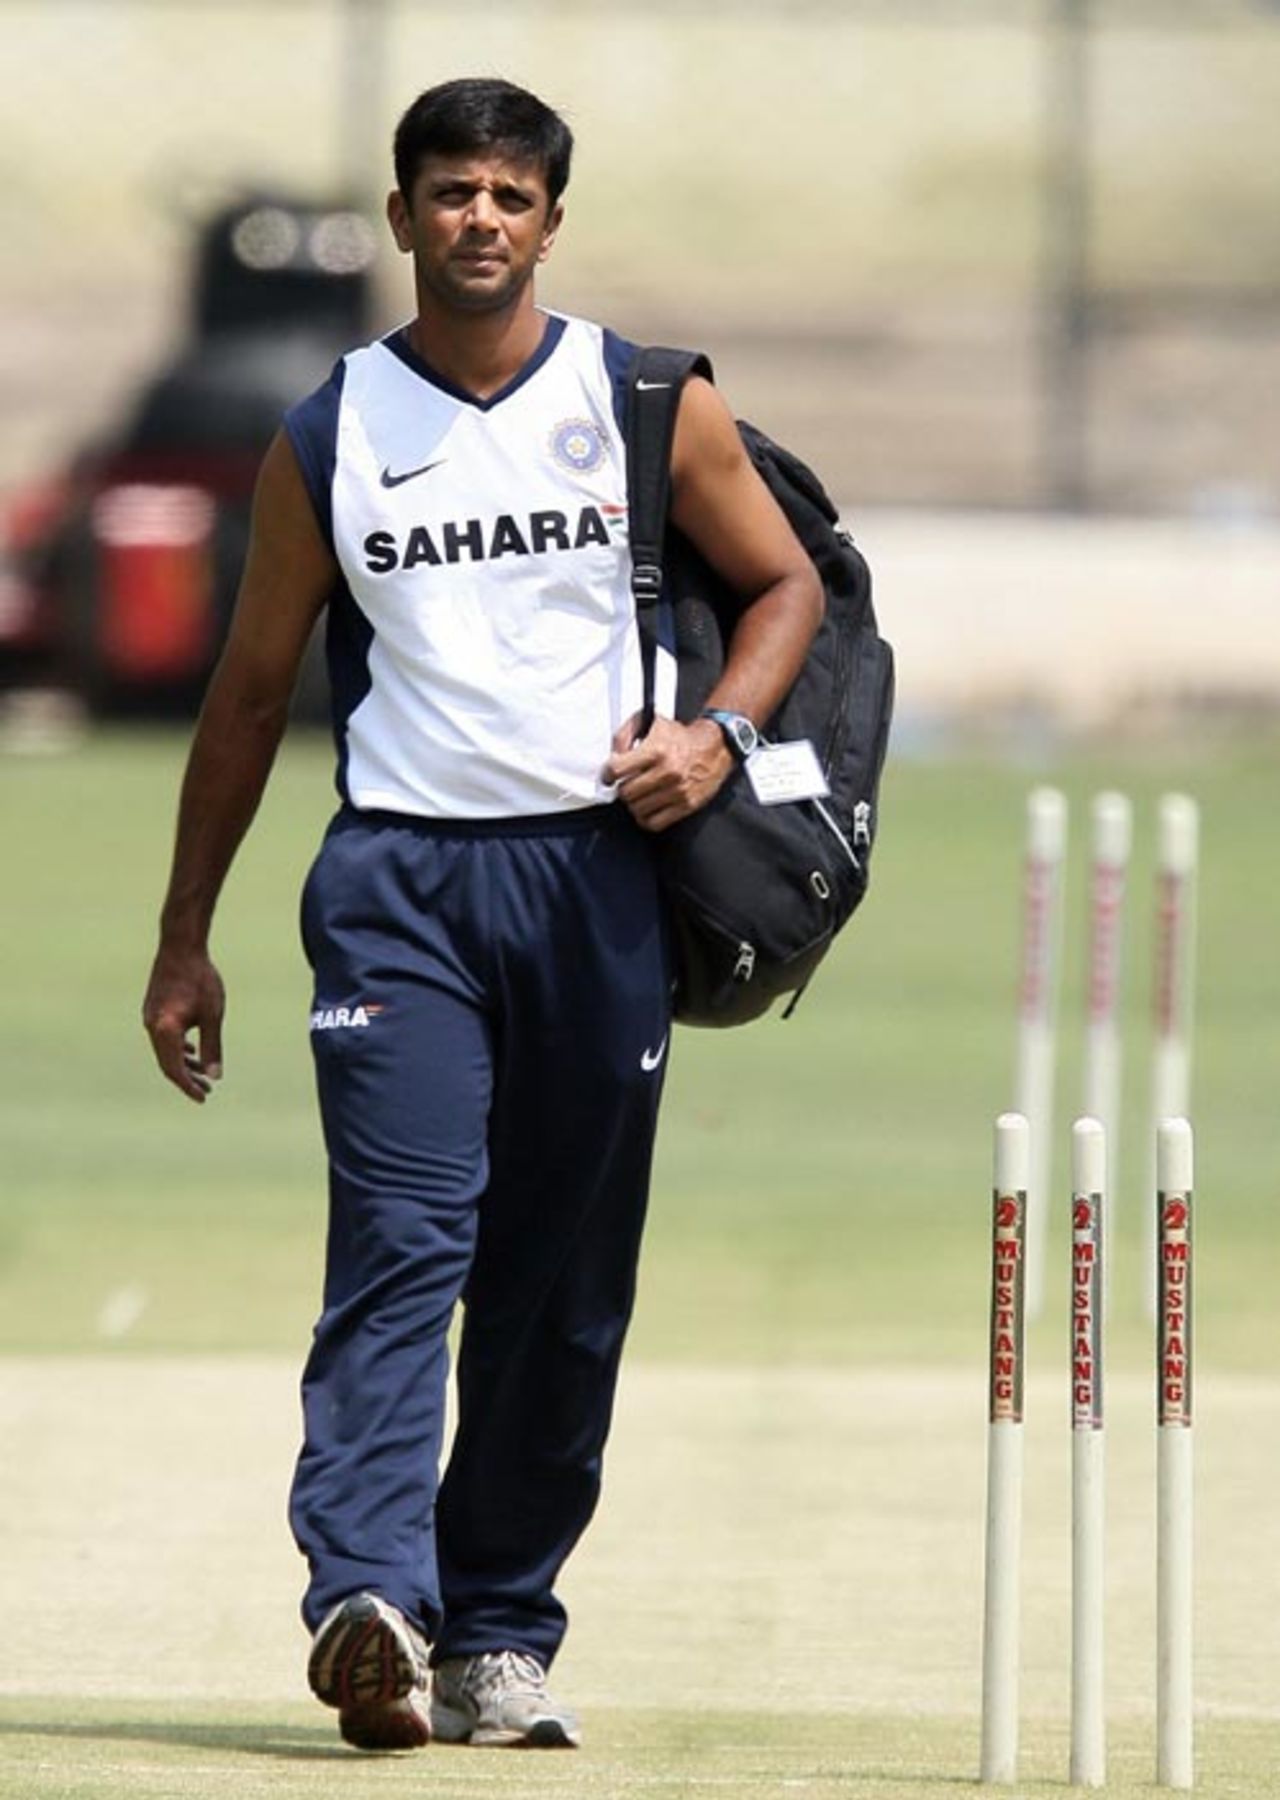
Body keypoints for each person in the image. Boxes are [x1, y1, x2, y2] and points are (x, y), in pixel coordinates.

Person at [142, 76, 821, 1754]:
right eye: (451, 193)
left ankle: (498, 1634)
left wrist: (715, 735)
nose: (481, 221)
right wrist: (183, 936)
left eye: (512, 196)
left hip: (594, 881)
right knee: (403, 1247)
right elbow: (244, 695)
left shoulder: (647, 398)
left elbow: (789, 583)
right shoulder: (330, 430)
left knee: (562, 1274)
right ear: (402, 218)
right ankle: (370, 1595)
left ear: (550, 222)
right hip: (398, 890)